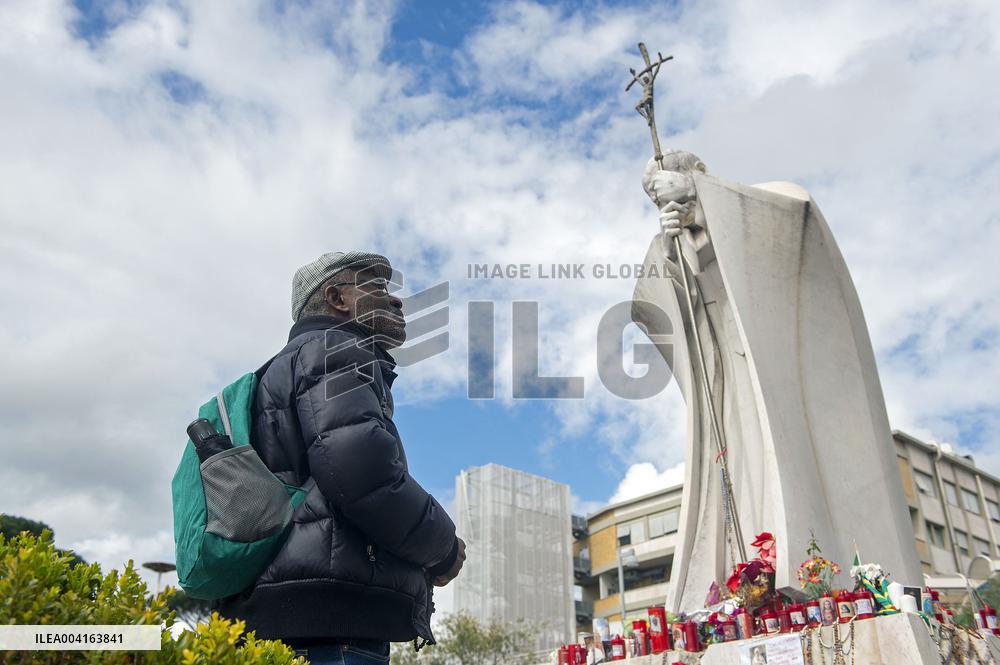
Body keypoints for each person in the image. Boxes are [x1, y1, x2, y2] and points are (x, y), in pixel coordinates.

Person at [217, 251, 465, 665]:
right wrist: (443, 549)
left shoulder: (286, 366)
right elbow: (363, 475)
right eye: (377, 288)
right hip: (330, 627)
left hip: (284, 618)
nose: (397, 300)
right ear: (336, 298)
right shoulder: (336, 348)